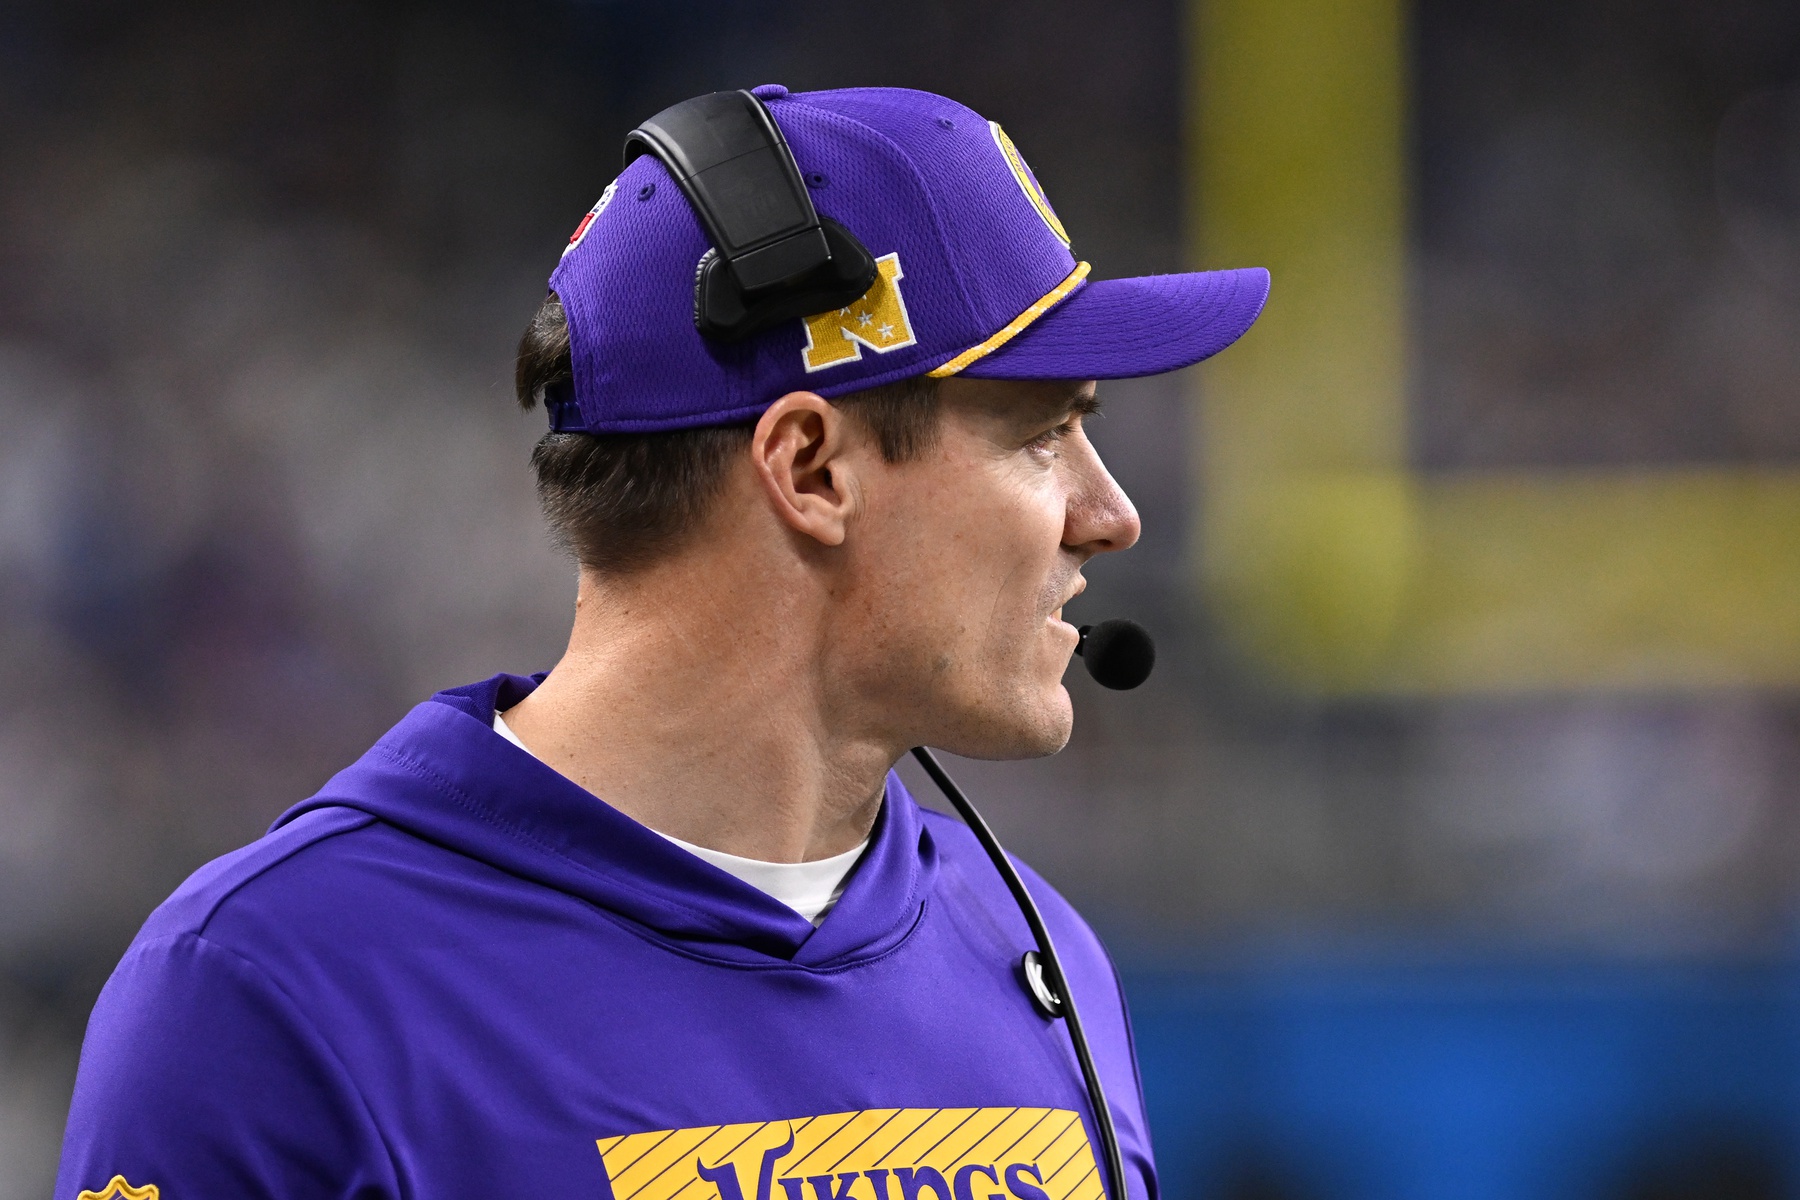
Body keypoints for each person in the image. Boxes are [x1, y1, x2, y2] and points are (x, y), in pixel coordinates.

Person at [55, 84, 1267, 1200]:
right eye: (1042, 433)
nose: (1112, 517)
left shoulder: (1034, 953)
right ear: (809, 467)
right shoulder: (268, 995)